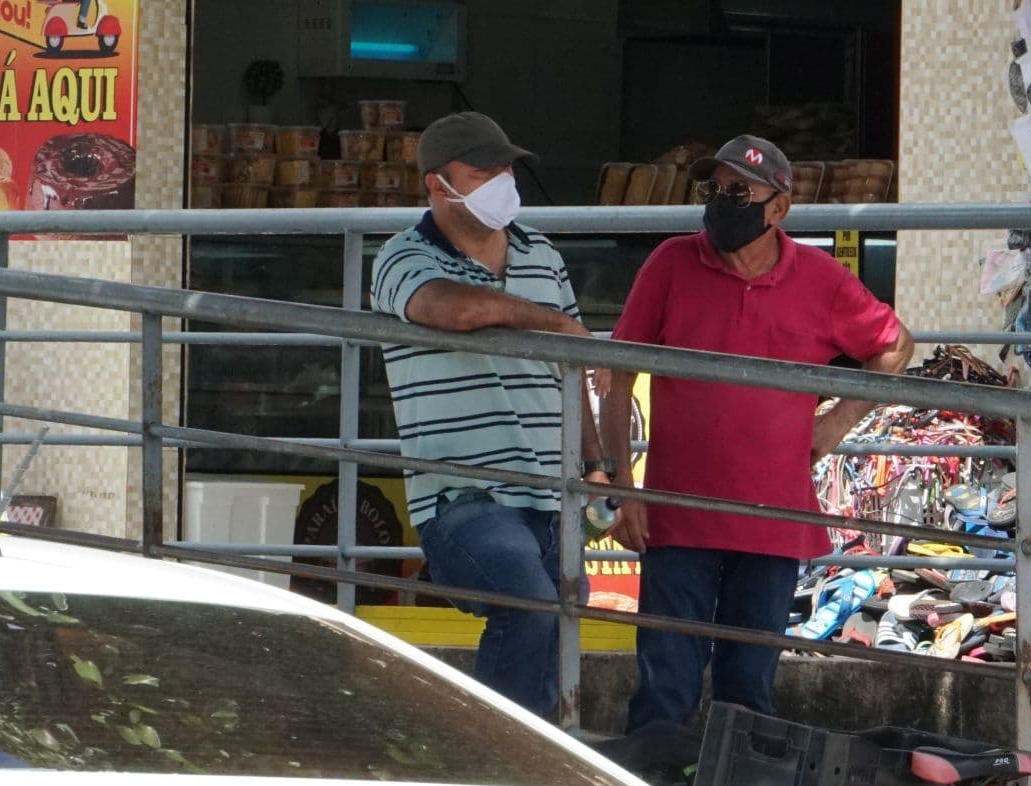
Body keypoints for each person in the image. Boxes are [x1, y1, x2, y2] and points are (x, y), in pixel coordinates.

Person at [605, 135, 915, 733]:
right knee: (665, 680)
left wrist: (836, 421)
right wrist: (624, 487)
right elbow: (618, 372)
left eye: (739, 191)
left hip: (772, 518)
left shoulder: (819, 278)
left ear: (778, 208)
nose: (724, 201)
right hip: (678, 512)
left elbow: (895, 345)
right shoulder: (672, 262)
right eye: (715, 189)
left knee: (748, 690)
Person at [372, 112, 607, 718]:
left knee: (554, 622)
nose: (502, 182)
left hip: (555, 494)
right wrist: (553, 322)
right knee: (528, 601)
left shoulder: (542, 256)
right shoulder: (403, 258)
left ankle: (535, 755)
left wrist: (598, 466)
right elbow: (447, 309)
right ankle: (499, 762)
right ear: (436, 184)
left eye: (506, 169)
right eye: (482, 173)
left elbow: (572, 372)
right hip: (462, 498)